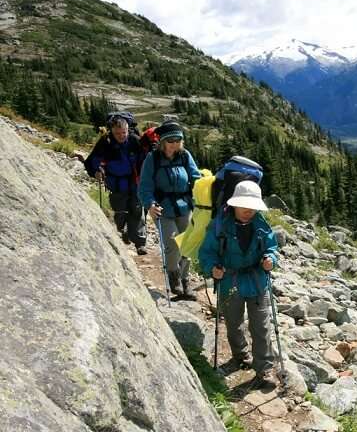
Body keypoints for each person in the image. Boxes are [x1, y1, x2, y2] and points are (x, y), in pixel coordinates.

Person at [198, 181, 279, 387]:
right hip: (229, 281)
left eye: (252, 207)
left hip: (257, 280)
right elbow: (206, 252)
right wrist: (212, 268)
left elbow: (271, 247)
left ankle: (264, 368)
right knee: (233, 323)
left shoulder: (261, 225)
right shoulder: (220, 226)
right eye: (244, 205)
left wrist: (270, 259)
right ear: (234, 204)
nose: (248, 211)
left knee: (260, 326)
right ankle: (241, 355)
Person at [138, 121, 201, 299]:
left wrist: (204, 188)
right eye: (171, 140)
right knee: (173, 243)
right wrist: (149, 204)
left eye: (178, 140)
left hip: (184, 205)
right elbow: (144, 186)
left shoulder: (185, 155)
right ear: (163, 142)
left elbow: (195, 176)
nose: (175, 144)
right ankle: (174, 277)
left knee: (187, 245)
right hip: (162, 208)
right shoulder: (153, 159)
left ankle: (185, 282)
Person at [85, 115, 147, 254]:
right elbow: (91, 161)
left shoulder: (134, 141)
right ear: (112, 131)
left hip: (134, 181)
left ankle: (140, 243)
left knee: (137, 210)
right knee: (120, 212)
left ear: (128, 130)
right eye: (117, 133)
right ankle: (122, 231)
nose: (121, 136)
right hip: (115, 183)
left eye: (124, 133)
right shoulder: (105, 142)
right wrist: (95, 172)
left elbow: (144, 160)